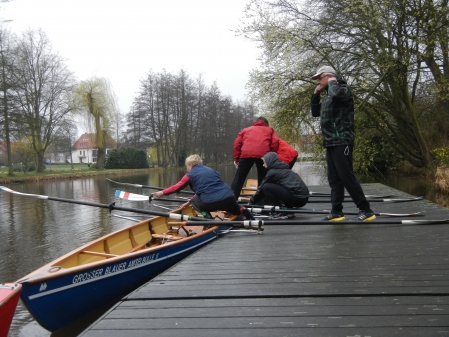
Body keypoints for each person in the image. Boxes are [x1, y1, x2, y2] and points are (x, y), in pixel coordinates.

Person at [311, 65, 375, 222]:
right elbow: (315, 112)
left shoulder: (343, 89)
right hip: (330, 142)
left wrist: (332, 82)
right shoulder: (328, 96)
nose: (318, 81)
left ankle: (366, 210)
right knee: (334, 179)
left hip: (342, 140)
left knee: (346, 176)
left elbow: (338, 95)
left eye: (320, 77)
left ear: (329, 76)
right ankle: (336, 211)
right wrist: (315, 94)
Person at [152, 154, 254, 220]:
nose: (187, 169)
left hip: (211, 202)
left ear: (190, 164)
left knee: (195, 202)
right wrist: (187, 202)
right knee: (235, 208)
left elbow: (177, 187)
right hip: (230, 197)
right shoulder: (210, 170)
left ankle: (207, 217)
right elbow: (203, 190)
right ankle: (242, 210)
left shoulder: (190, 174)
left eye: (187, 166)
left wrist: (162, 192)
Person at [231, 117, 279, 198]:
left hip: (246, 154)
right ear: (266, 124)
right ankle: (261, 200)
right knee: (263, 178)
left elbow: (237, 144)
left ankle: (231, 199)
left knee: (239, 178)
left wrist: (236, 159)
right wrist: (269, 156)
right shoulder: (270, 130)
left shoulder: (245, 130)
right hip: (263, 155)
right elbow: (275, 142)